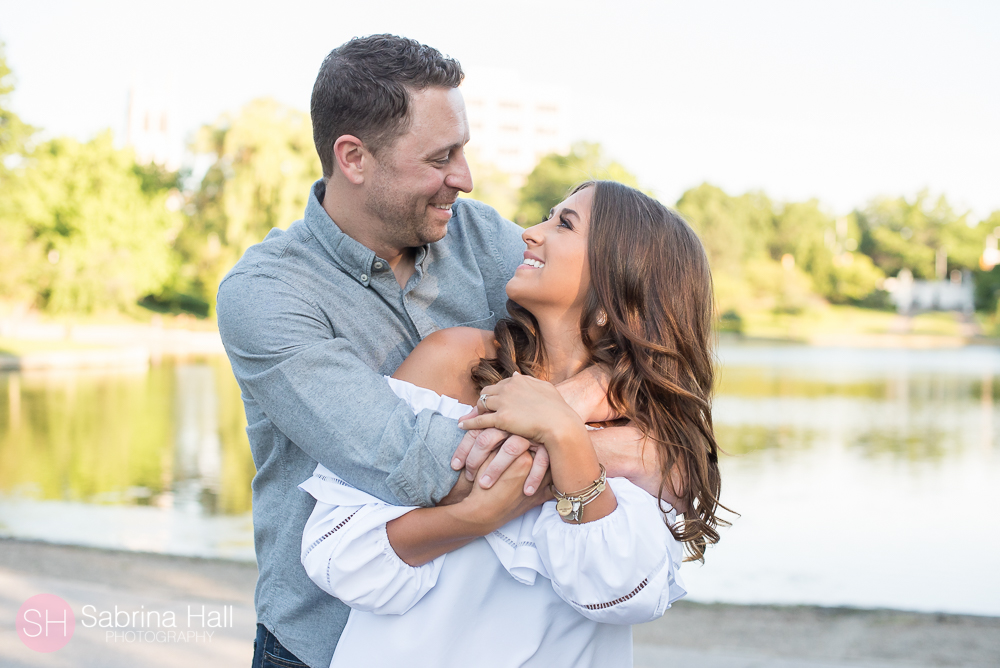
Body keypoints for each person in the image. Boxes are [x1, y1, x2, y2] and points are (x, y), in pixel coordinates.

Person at [217, 35, 663, 668]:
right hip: (318, 638)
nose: (465, 177)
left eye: (463, 150)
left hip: (455, 637)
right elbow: (413, 460)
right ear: (354, 158)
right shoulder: (266, 296)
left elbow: (608, 326)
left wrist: (572, 405)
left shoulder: (479, 236)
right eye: (441, 157)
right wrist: (603, 447)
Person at [299, 181, 724, 667]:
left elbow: (623, 593)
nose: (529, 233)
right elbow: (337, 553)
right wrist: (477, 515)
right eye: (548, 215)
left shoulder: (652, 436)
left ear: (620, 290)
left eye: (564, 224)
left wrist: (565, 435)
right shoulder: (451, 361)